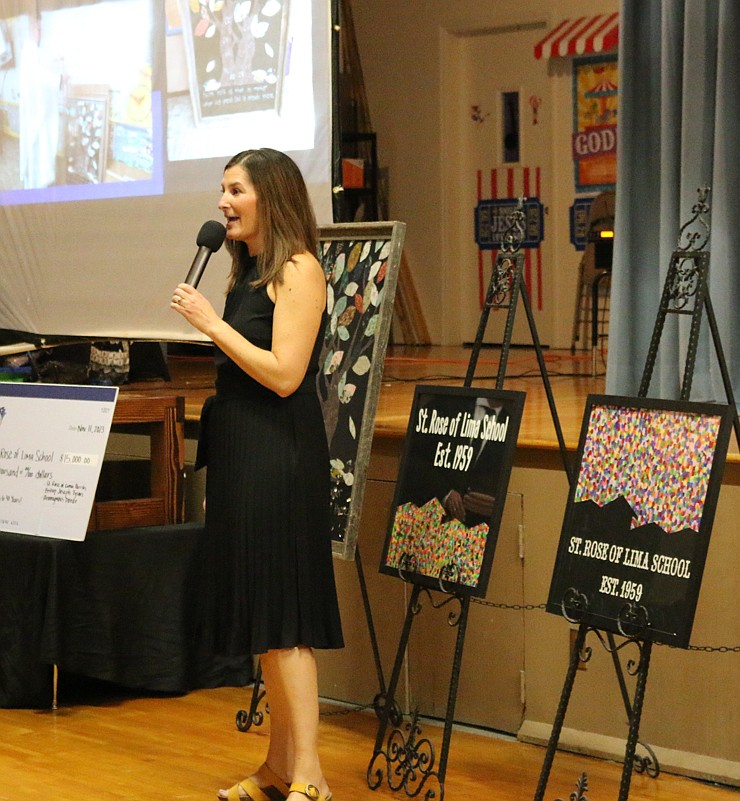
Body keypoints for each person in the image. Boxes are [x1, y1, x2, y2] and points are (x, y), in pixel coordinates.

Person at [171, 148, 343, 801]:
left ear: (269, 195)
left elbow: (284, 373)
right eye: (221, 189)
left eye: (234, 189)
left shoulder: (300, 270)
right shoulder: (246, 272)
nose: (222, 202)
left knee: (286, 620)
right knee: (265, 620)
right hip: (244, 451)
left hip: (280, 453)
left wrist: (211, 326)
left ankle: (311, 774)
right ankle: (276, 768)